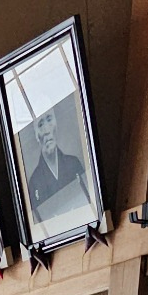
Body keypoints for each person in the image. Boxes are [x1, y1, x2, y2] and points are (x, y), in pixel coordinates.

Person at [23, 97, 91, 232]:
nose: (47, 130)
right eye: (40, 124)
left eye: (49, 119)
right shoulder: (34, 182)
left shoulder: (73, 163)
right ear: (36, 134)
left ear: (56, 124)